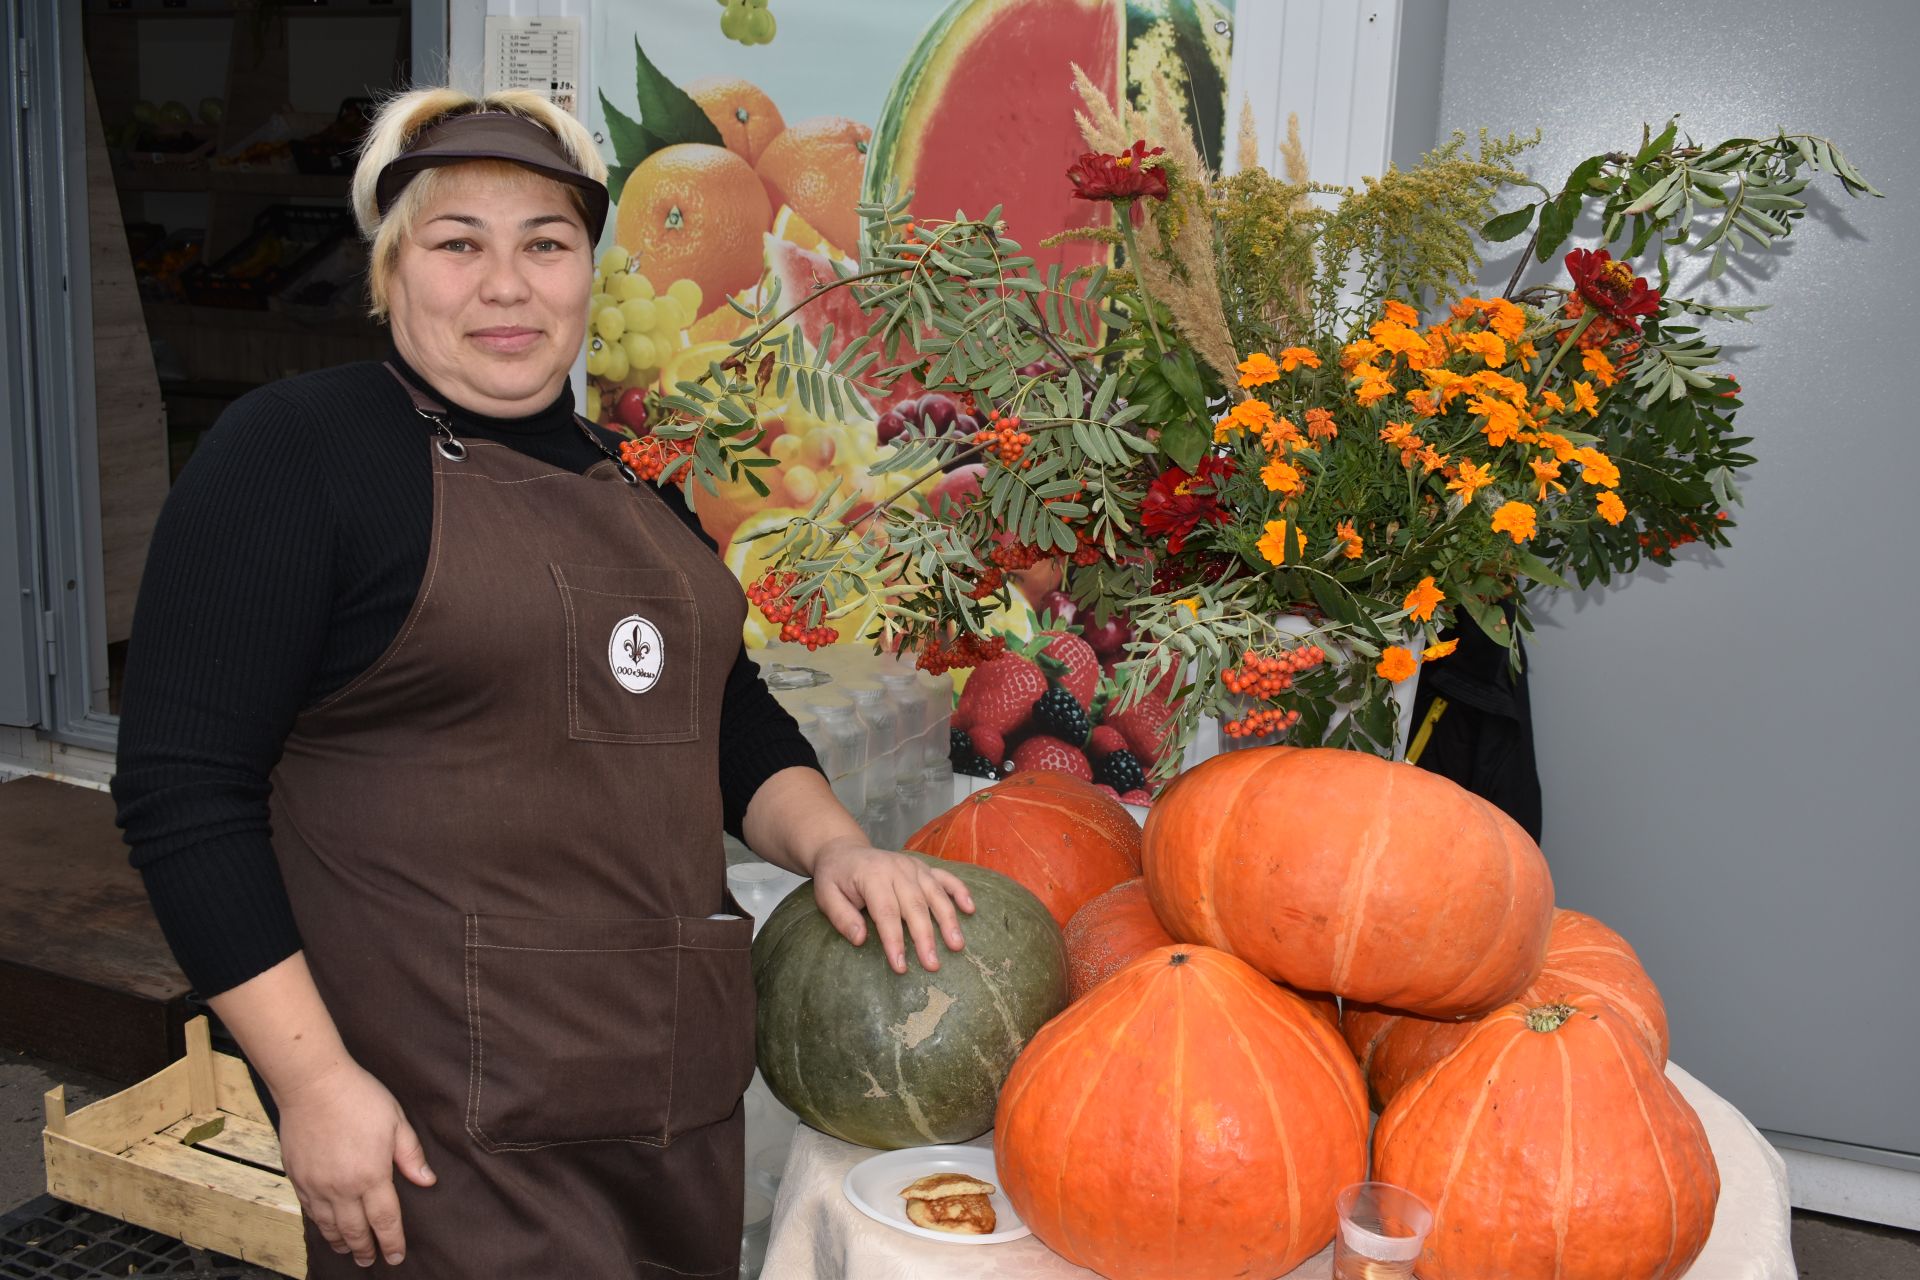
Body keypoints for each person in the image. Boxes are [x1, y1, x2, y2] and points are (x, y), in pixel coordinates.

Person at [112, 87, 973, 1279]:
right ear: (389, 274)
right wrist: (310, 1081)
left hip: (669, 1105)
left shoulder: (635, 482)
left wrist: (836, 846)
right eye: (458, 243)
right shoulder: (298, 453)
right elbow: (183, 793)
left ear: (586, 272)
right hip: (442, 1129)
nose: (506, 285)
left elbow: (723, 714)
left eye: (547, 244)